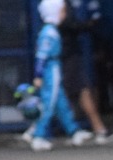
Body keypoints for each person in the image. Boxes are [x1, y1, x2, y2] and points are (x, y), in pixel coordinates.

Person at [28, 0, 92, 152]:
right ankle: (38, 135)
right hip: (51, 69)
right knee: (48, 103)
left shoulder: (51, 30)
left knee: (60, 101)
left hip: (54, 67)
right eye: (62, 10)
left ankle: (73, 130)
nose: (65, 13)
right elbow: (42, 56)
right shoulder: (49, 32)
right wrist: (39, 75)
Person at [61, 0, 113, 143]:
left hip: (71, 53)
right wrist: (86, 25)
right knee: (58, 94)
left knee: (83, 90)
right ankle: (39, 130)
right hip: (64, 55)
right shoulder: (56, 5)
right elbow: (66, 23)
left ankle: (97, 129)